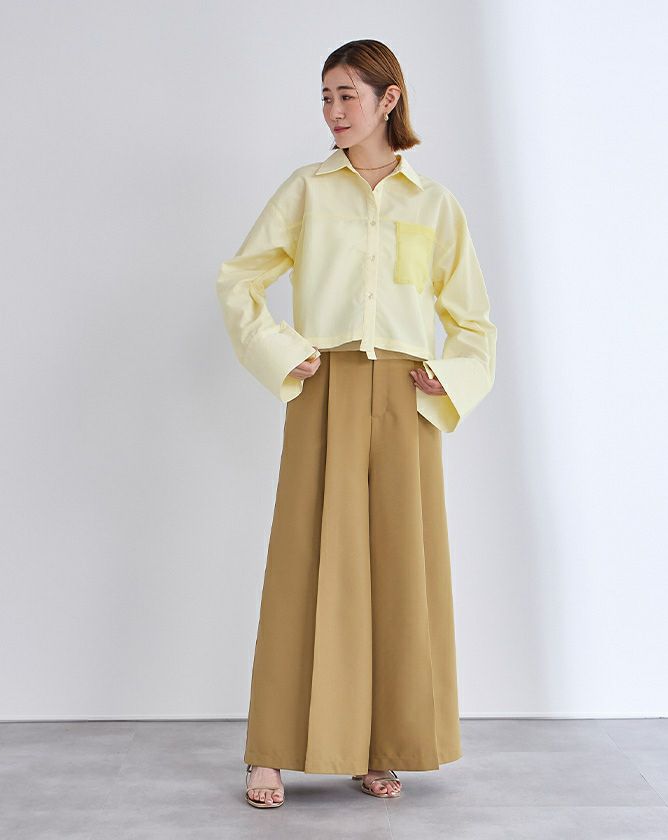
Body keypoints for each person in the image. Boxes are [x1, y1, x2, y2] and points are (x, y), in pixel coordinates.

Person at [215, 39, 497, 809]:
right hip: (325, 384)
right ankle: (270, 753)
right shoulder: (307, 191)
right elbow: (239, 282)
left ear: (388, 99)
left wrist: (450, 376)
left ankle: (382, 747)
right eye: (326, 96)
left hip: (408, 394)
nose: (333, 111)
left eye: (347, 95)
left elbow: (474, 321)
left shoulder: (434, 204)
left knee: (400, 574)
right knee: (305, 564)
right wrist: (283, 350)